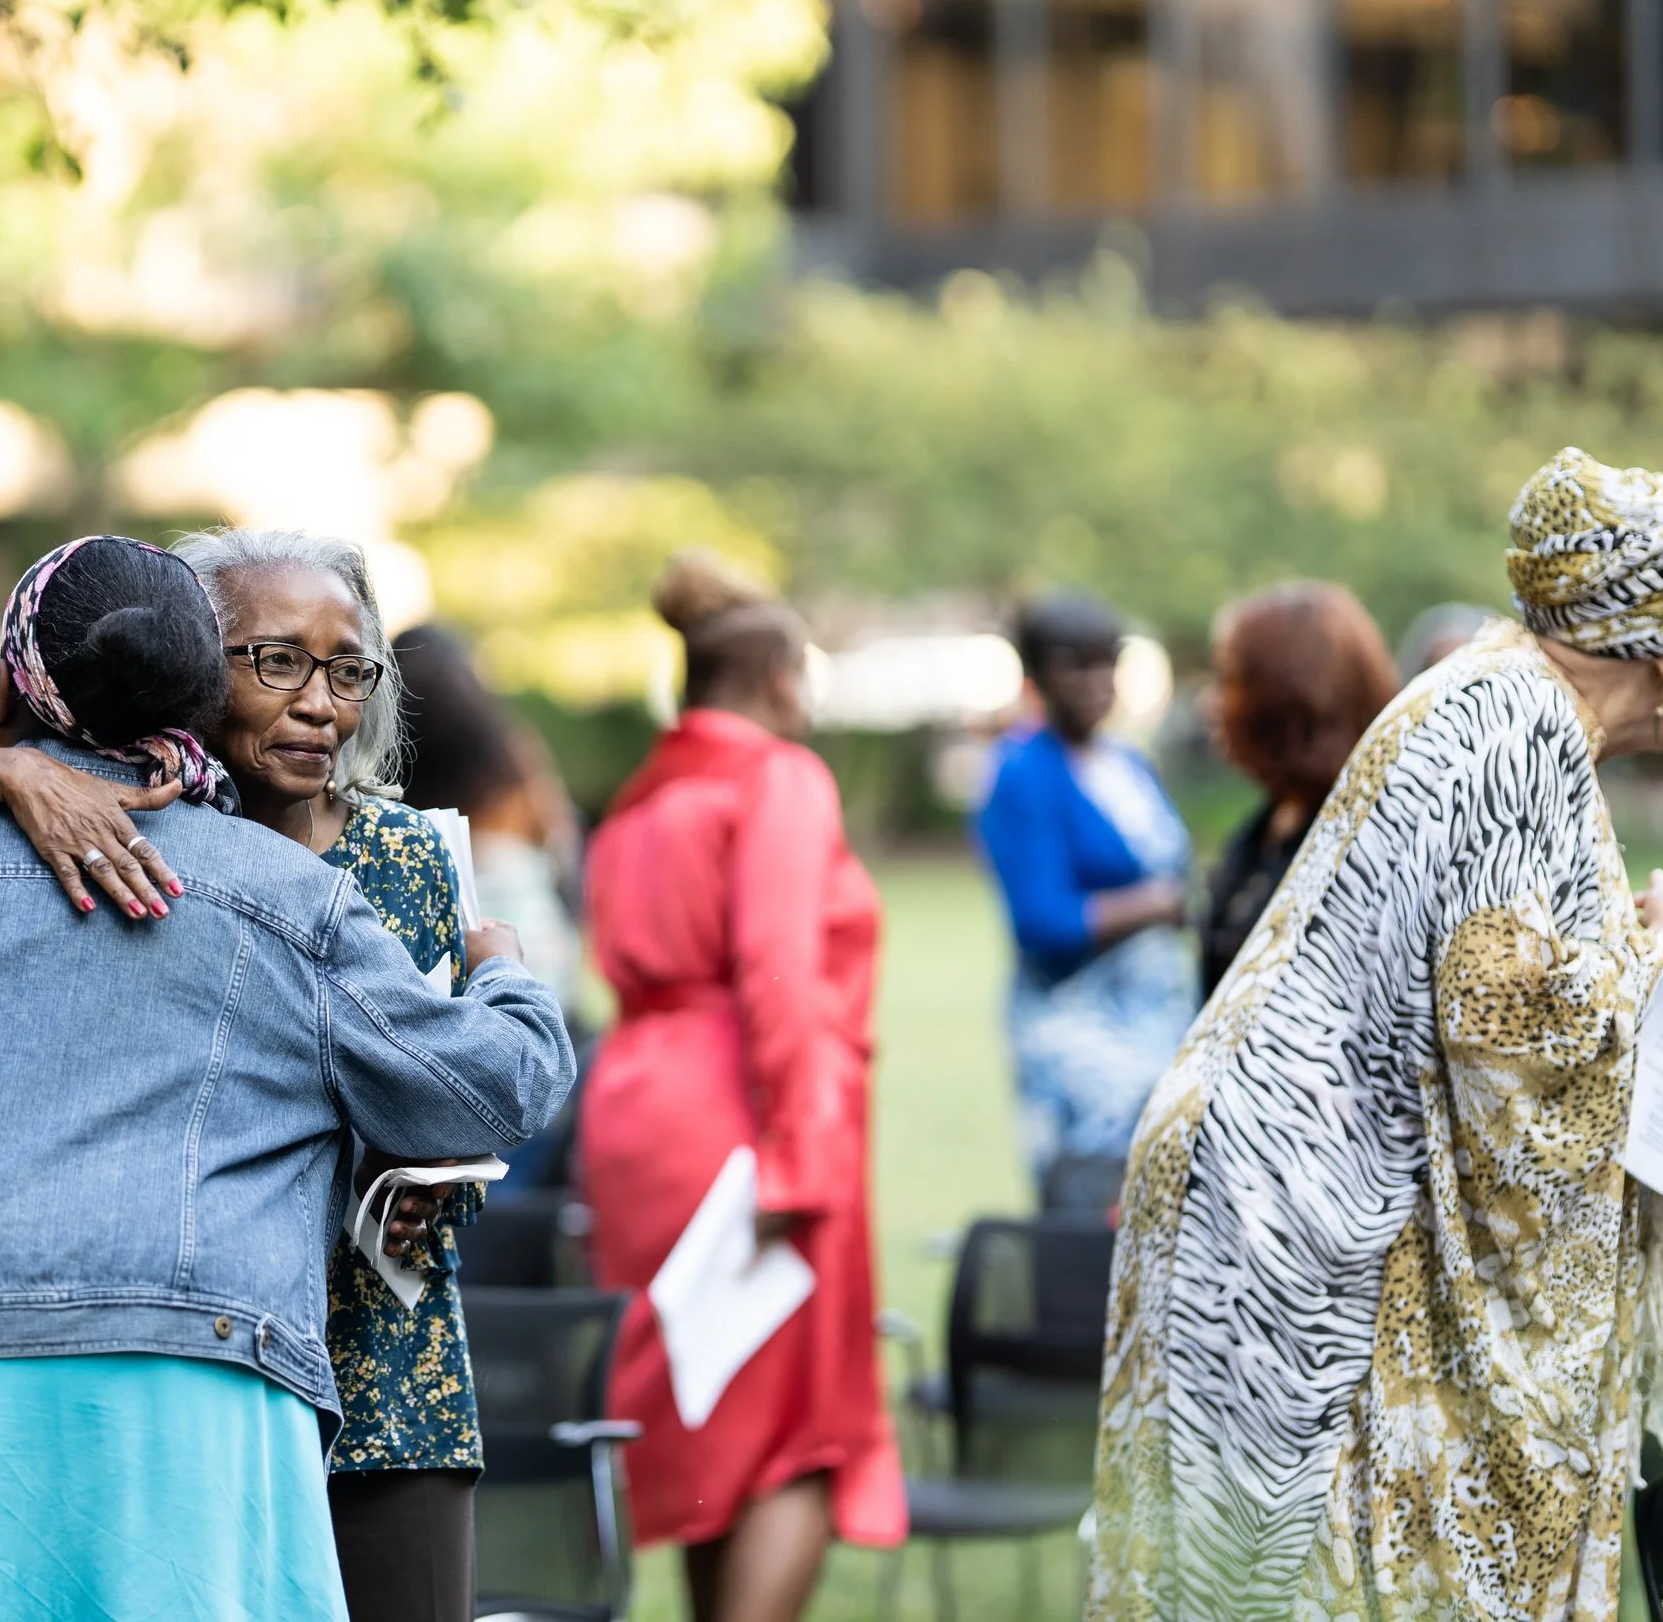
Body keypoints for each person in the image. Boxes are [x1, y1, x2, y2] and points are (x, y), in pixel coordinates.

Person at [0, 534, 574, 1621]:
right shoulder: (287, 895)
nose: (316, 700)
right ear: (194, 683)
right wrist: (503, 973)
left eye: (346, 668)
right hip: (199, 1378)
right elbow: (492, 1083)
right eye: (271, 660)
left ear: (11, 677)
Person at [1091, 447, 1663, 1622]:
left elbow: (1499, 963)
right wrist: (1654, 953)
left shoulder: (1499, 695)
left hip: (1268, 1185)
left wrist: (1622, 933)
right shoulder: (1516, 731)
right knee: (1252, 1584)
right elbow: (1509, 1035)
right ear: (1657, 646)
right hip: (1281, 1221)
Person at [577, 552, 904, 1622]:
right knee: (801, 1430)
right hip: (749, 1116)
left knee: (708, 1420)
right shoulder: (776, 777)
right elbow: (776, 970)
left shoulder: (635, 798)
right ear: (777, 676)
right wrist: (803, 1151)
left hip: (638, 1115)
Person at [973, 590, 1195, 1192]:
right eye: (1078, 665)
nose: (1098, 680)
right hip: (1078, 1027)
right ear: (1037, 675)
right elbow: (1044, 923)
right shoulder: (1021, 772)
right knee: (1099, 1196)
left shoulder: (1127, 763)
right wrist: (1157, 905)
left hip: (1160, 1015)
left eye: (1108, 661)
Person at [1197, 581, 1398, 996]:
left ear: (1290, 698)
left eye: (1229, 679)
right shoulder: (1274, 820)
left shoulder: (1367, 843)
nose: (1210, 702)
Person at [393, 621, 585, 1022]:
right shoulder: (510, 759)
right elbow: (562, 842)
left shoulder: (390, 772)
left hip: (435, 969)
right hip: (531, 948)